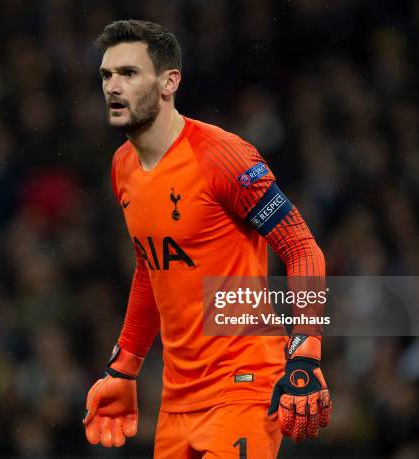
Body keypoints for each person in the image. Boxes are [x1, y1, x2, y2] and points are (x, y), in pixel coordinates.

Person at [83, 20, 331, 458]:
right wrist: (123, 368)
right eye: (107, 75)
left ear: (169, 82)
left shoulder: (222, 156)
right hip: (177, 401)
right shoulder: (122, 166)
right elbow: (151, 267)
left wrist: (305, 351)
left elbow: (301, 247)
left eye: (129, 73)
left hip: (244, 386)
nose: (113, 87)